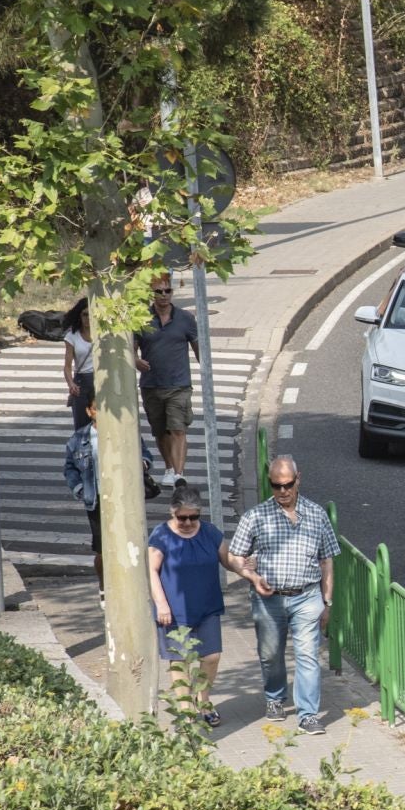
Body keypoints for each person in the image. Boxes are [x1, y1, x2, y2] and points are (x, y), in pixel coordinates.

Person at [228, 456, 339, 734]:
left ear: (298, 479)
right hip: (269, 599)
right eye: (276, 486)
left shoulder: (316, 514)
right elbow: (233, 556)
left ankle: (308, 714)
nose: (283, 491)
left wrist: (328, 601)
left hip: (307, 596)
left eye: (288, 485)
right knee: (270, 654)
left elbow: (327, 560)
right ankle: (275, 697)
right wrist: (251, 576)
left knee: (307, 655)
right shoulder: (255, 517)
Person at [148, 484, 246, 727]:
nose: (189, 522)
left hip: (207, 606)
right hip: (174, 610)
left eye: (194, 517)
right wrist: (161, 604)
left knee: (211, 656)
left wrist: (248, 570)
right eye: (183, 517)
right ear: (173, 512)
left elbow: (228, 560)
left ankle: (203, 700)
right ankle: (185, 709)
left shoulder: (210, 533)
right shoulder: (161, 536)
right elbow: (151, 570)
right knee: (179, 659)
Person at [62, 380, 158, 592]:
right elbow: (70, 468)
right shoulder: (79, 439)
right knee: (102, 549)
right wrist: (79, 489)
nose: (101, 414)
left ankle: (132, 587)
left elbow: (146, 454)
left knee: (130, 541)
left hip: (125, 497)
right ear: (89, 411)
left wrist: (142, 463)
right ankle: (105, 586)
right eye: (97, 409)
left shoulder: (126, 430)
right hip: (96, 499)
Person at [136, 273, 200, 487]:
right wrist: (136, 362)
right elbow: (131, 349)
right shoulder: (142, 319)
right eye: (159, 291)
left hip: (179, 385)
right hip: (151, 384)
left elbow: (199, 347)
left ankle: (179, 475)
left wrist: (206, 370)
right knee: (160, 431)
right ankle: (169, 467)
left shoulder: (185, 318)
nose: (164, 295)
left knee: (178, 429)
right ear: (151, 294)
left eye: (167, 291)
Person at [61, 297, 94, 430]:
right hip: (82, 381)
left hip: (101, 380)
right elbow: (67, 366)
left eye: (91, 314)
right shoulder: (72, 337)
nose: (88, 318)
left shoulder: (104, 335)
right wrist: (71, 384)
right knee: (82, 426)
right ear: (79, 316)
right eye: (85, 314)